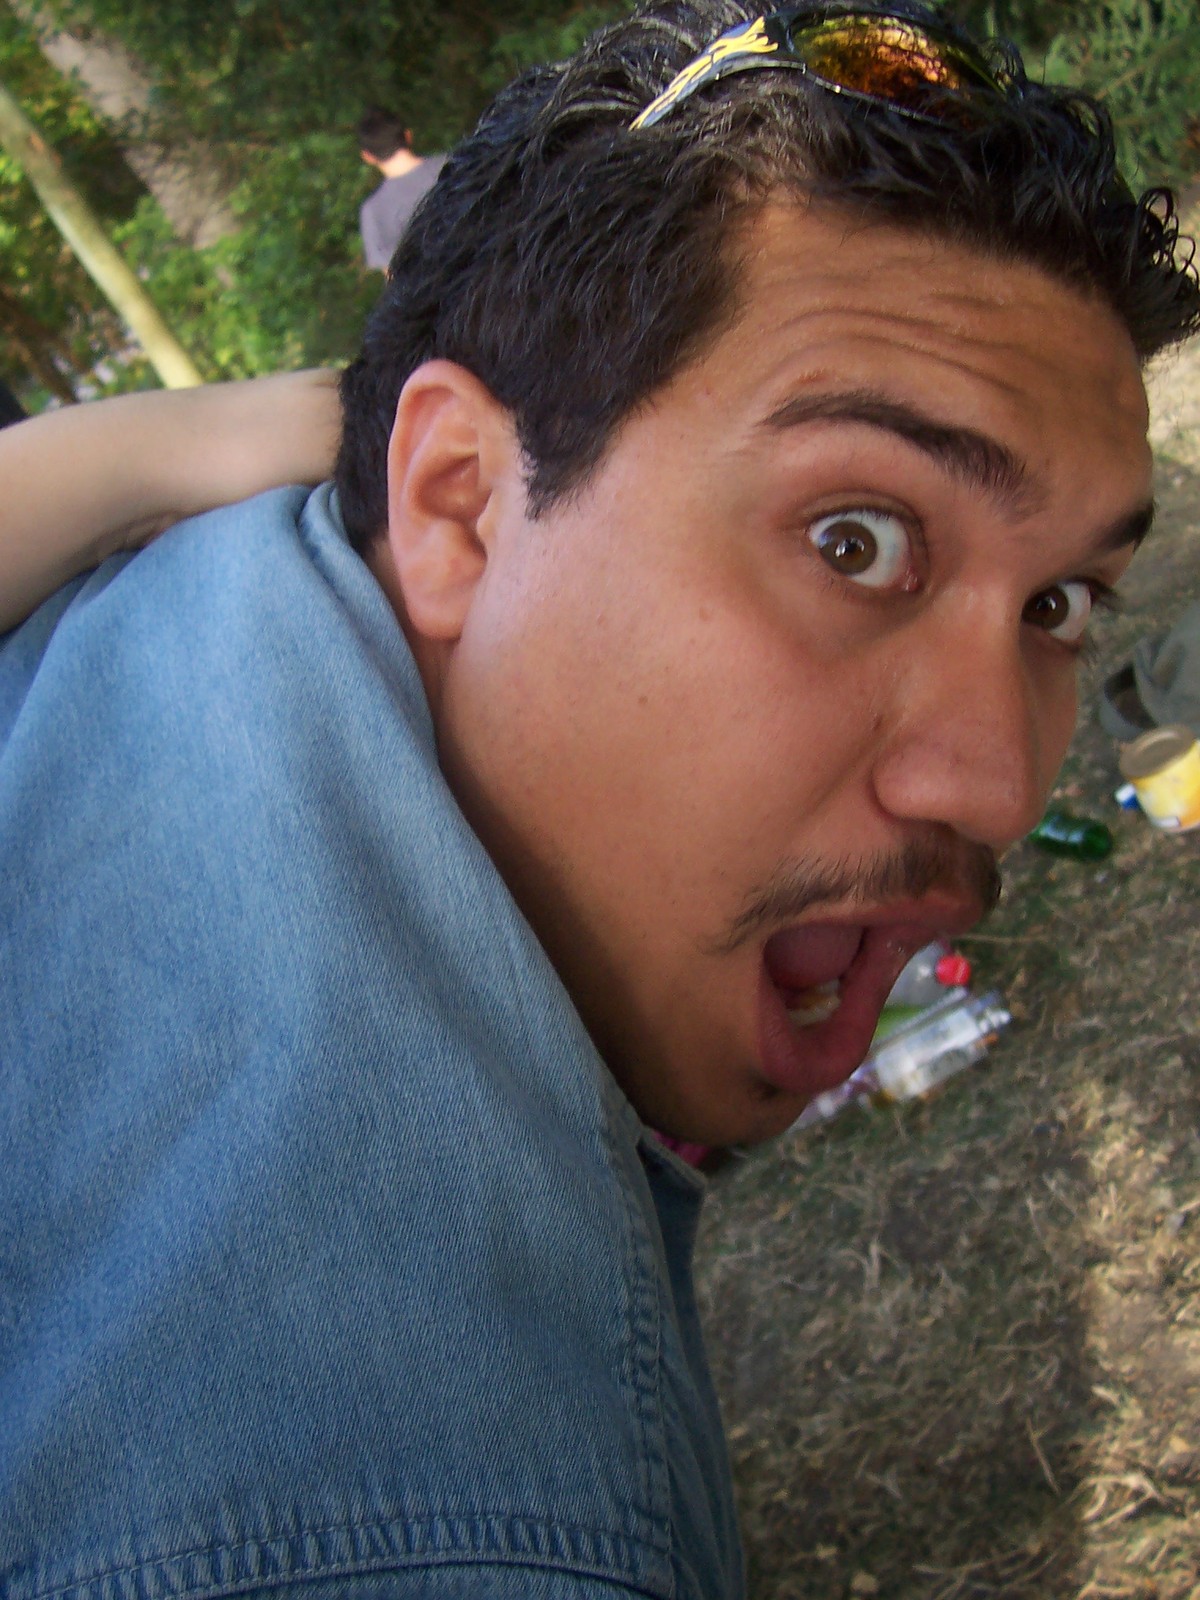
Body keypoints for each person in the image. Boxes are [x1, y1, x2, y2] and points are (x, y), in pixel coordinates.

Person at [2, 3, 1198, 1596]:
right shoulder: (471, 1523)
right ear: (456, 500)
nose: (995, 782)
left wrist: (168, 443)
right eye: (854, 540)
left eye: (1057, 605)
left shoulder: (205, 577)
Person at [357, 105, 447, 270]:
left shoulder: (373, 211)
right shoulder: (456, 164)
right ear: (407, 135)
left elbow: (392, 275)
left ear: (368, 156)